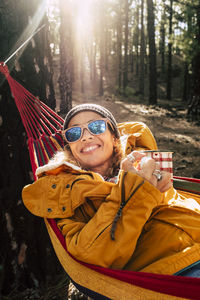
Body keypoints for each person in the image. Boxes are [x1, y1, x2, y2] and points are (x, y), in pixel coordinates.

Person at [22, 103, 200, 277]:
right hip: (174, 269)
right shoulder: (64, 194)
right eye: (74, 133)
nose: (85, 137)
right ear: (70, 147)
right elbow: (91, 254)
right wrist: (136, 191)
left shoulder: (143, 159)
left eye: (96, 126)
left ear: (114, 136)